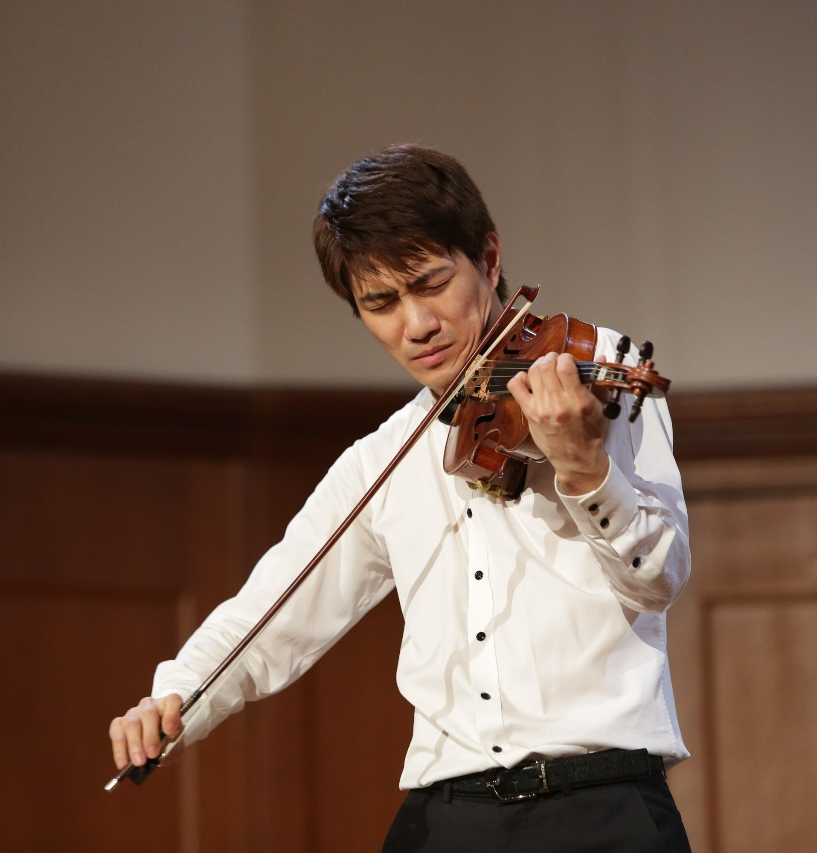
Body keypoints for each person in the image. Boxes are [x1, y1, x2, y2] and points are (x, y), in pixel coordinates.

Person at [108, 144, 692, 852]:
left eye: (430, 284)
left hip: (603, 808)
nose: (416, 326)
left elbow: (657, 579)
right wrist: (176, 697)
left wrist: (584, 466)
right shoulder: (383, 458)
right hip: (445, 817)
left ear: (489, 257)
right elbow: (272, 609)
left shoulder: (593, 381)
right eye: (380, 303)